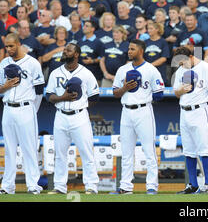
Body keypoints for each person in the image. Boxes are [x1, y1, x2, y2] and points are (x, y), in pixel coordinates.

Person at [112, 39, 165, 195]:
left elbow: (159, 94)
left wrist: (142, 90)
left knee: (149, 150)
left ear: (141, 51)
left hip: (143, 110)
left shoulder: (151, 69)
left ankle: (151, 186)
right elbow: (115, 93)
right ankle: (126, 187)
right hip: (126, 111)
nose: (129, 51)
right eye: (128, 49)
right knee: (126, 151)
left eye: (132, 49)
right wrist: (125, 88)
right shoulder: (122, 69)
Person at [46, 42, 100, 194]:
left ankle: (91, 186)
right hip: (61, 116)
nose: (64, 52)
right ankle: (59, 186)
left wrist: (80, 105)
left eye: (68, 50)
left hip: (79, 116)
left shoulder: (86, 73)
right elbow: (48, 96)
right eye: (64, 50)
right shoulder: (55, 72)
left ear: (76, 54)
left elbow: (95, 97)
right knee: (60, 154)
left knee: (86, 152)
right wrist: (63, 98)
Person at [0, 33, 45, 195]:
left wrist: (33, 109)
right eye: (7, 46)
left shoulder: (32, 63)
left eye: (11, 45)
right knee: (9, 149)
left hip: (26, 107)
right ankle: (7, 186)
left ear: (19, 44)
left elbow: (39, 90)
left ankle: (33, 185)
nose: (9, 49)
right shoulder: (4, 63)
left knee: (29, 148)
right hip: (8, 109)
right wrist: (6, 86)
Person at [173, 46, 208, 194]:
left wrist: (203, 103)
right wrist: (181, 90)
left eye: (183, 61)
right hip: (184, 111)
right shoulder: (181, 70)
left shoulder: (205, 68)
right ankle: (192, 185)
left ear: (191, 57)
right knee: (189, 150)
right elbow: (176, 92)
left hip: (199, 110)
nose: (181, 65)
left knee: (205, 149)